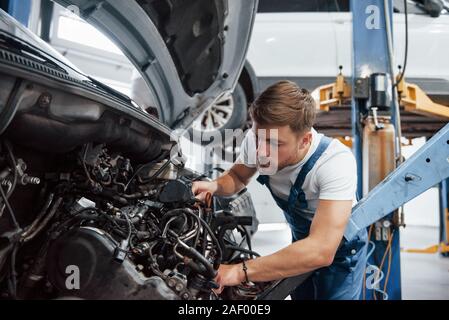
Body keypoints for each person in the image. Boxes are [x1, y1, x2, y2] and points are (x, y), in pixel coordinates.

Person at [192, 80, 368, 300]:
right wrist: (214, 186)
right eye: (258, 138)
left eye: (274, 144)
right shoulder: (257, 141)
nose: (261, 152)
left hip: (339, 250)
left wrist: (239, 271)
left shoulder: (334, 162)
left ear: (305, 141)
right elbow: (237, 177)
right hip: (302, 243)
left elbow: (321, 249)